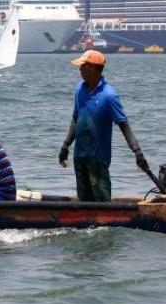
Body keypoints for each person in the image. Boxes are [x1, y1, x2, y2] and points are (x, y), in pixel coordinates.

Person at [58, 50, 149, 202]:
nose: (80, 70)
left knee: (101, 202)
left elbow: (124, 126)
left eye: (83, 66)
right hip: (80, 157)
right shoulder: (79, 89)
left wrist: (138, 153)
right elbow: (75, 119)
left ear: (93, 68)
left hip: (98, 160)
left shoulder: (109, 96)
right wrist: (65, 146)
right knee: (84, 202)